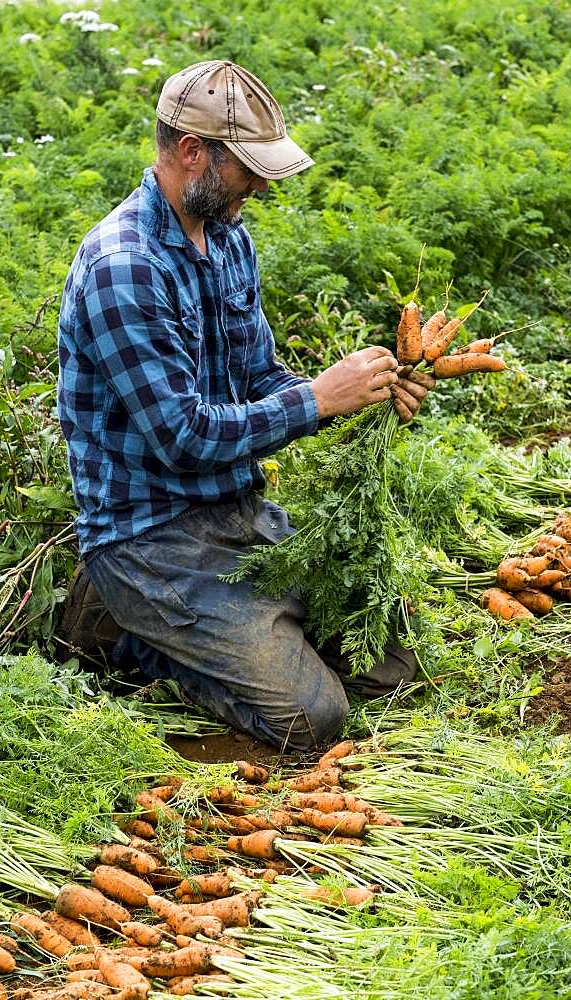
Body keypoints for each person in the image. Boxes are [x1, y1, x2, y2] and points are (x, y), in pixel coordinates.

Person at [57, 60, 435, 750]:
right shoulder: (124, 267)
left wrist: (359, 397)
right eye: (249, 168)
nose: (261, 185)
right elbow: (181, 436)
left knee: (392, 659)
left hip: (238, 514)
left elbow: (258, 374)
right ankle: (123, 632)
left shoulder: (229, 238)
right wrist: (318, 401)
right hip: (152, 539)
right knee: (311, 719)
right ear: (193, 153)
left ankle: (246, 623)